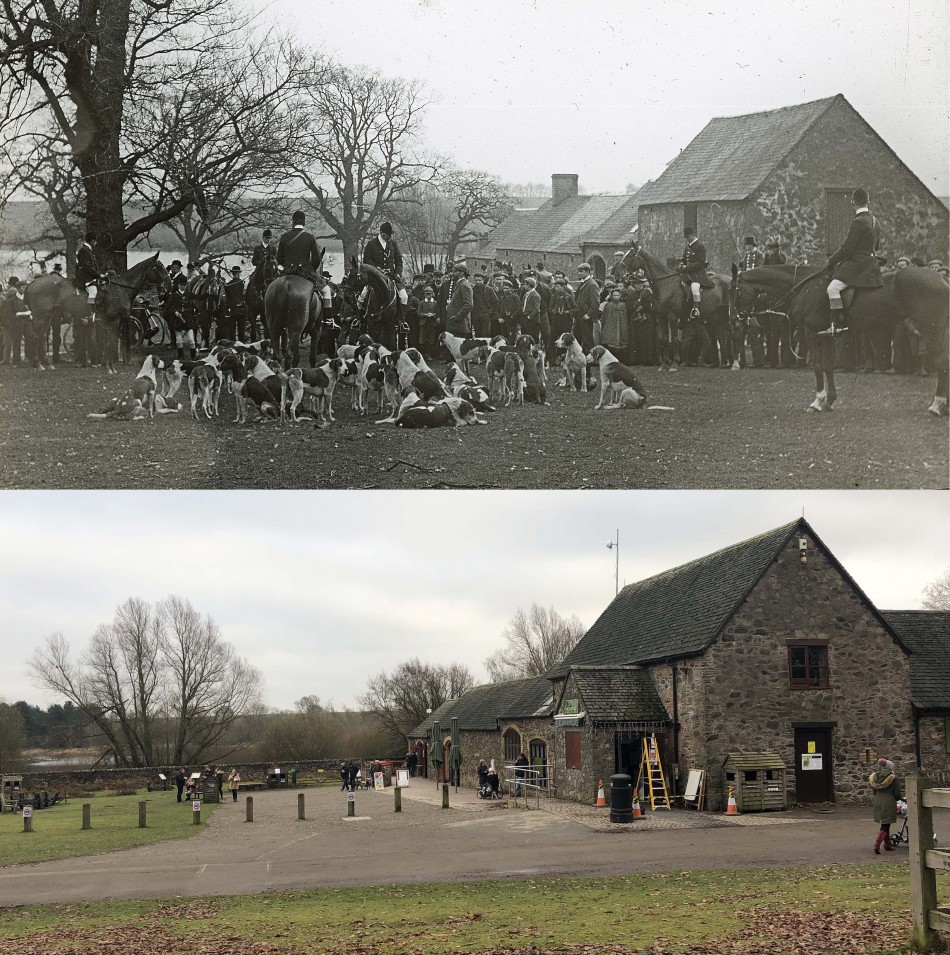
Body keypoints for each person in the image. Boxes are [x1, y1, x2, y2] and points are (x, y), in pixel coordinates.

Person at [825, 186, 883, 335]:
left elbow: (847, 249)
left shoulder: (858, 221)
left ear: (853, 203)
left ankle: (837, 324)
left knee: (832, 289)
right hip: (872, 265)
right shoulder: (876, 221)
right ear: (868, 202)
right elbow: (876, 246)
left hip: (858, 265)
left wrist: (831, 261)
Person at [277, 211, 331, 313]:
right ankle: (328, 318)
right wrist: (310, 269)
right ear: (304, 222)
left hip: (288, 271)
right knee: (326, 291)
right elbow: (316, 260)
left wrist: (288, 266)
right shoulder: (309, 237)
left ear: (293, 222)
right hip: (305, 271)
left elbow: (279, 258)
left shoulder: (284, 237)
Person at [678, 226, 711, 320]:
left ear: (693, 235)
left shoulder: (700, 247)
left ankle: (696, 309)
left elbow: (700, 263)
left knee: (694, 287)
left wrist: (687, 267)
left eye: (688, 236)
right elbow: (684, 260)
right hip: (688, 273)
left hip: (698, 273)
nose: (686, 239)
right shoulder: (687, 247)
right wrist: (681, 264)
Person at [869, 757, 900, 854]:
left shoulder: (875, 777)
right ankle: (877, 844)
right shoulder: (893, 778)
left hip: (878, 801)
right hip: (889, 802)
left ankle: (887, 844)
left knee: (885, 822)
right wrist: (899, 799)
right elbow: (897, 793)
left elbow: (874, 791)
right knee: (886, 824)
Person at [573, 262, 600, 351]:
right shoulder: (583, 283)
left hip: (585, 316)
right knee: (577, 337)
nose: (579, 273)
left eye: (582, 271)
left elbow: (595, 303)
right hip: (579, 315)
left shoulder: (592, 284)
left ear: (588, 271)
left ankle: (590, 357)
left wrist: (589, 315)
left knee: (587, 339)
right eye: (579, 271)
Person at [600, 287, 630, 363]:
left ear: (620, 296)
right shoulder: (608, 305)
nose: (616, 297)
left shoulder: (623, 305)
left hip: (622, 325)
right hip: (611, 326)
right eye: (614, 295)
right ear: (611, 296)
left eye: (617, 295)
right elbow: (606, 319)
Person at [444, 262, 473, 336]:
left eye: (455, 271)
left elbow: (469, 305)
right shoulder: (459, 284)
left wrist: (457, 317)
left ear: (462, 273)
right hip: (456, 325)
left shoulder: (464, 285)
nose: (452, 273)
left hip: (460, 326)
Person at [223, 265, 246, 341]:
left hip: (231, 310)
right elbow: (244, 296)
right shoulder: (242, 283)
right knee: (241, 330)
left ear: (233, 274)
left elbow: (227, 298)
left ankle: (232, 344)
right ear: (238, 273)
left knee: (231, 330)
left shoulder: (228, 284)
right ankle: (241, 344)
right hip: (241, 309)